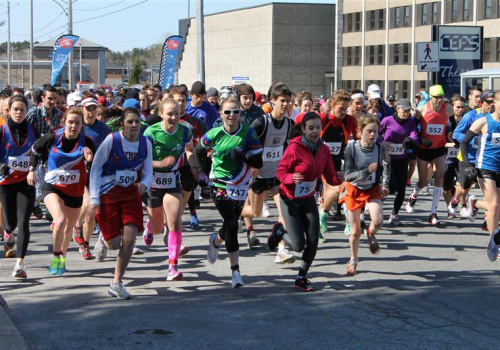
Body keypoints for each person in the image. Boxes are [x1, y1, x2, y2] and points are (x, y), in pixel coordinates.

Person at [268, 112, 340, 291]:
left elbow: (329, 176)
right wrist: (291, 178)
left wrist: (338, 178)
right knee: (298, 245)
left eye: (318, 128)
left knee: (314, 239)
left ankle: (301, 277)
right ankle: (279, 233)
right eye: (311, 128)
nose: (315, 131)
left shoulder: (324, 150)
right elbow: (280, 173)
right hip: (290, 200)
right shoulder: (294, 148)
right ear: (303, 129)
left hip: (308, 199)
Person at [196, 97, 263, 288]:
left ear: (240, 114)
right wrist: (201, 173)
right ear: (220, 114)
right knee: (233, 223)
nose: (231, 115)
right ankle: (236, 273)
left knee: (229, 223)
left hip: (241, 184)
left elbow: (259, 163)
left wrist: (244, 156)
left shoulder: (249, 134)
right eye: (227, 112)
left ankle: (216, 240)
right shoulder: (214, 134)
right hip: (219, 183)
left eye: (235, 112)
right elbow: (199, 150)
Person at [89, 108, 153, 299]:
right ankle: (103, 238)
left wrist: (144, 184)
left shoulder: (145, 143)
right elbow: (96, 167)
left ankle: (116, 282)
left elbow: (149, 171)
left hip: (131, 194)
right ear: (123, 124)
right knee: (114, 245)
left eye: (137, 122)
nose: (134, 126)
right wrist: (93, 198)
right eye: (130, 122)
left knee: (130, 239)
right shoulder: (112, 140)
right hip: (108, 193)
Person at [28, 107, 95, 275]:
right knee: (60, 221)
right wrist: (32, 170)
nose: (73, 126)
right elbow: (35, 149)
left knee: (68, 228)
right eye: (70, 122)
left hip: (75, 190)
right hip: (53, 187)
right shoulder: (53, 137)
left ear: (81, 125)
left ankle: (62, 255)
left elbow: (96, 168)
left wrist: (89, 161)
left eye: (77, 123)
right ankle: (56, 256)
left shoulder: (87, 142)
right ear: (64, 122)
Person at [142, 98, 196, 281]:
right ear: (161, 114)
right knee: (158, 228)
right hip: (153, 183)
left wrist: (194, 166)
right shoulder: (151, 132)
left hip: (173, 182)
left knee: (174, 221)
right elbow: (141, 161)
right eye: (169, 114)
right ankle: (150, 227)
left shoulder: (185, 130)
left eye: (177, 113)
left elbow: (189, 149)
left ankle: (172, 266)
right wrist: (160, 163)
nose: (173, 117)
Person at [240, 84, 295, 264]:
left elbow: (292, 147)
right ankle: (234, 210)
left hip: (277, 176)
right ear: (273, 101)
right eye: (282, 101)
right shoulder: (262, 122)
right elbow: (243, 145)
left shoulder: (289, 124)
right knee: (255, 212)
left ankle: (281, 250)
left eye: (288, 101)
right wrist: (251, 166)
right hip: (258, 176)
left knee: (284, 211)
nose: (286, 104)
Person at [341, 114, 390, 275]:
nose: (372, 135)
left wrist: (385, 183)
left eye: (375, 132)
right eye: (369, 131)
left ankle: (370, 233)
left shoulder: (380, 148)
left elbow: (387, 163)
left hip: (371, 189)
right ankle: (353, 259)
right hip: (354, 190)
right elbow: (348, 175)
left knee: (378, 221)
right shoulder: (352, 148)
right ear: (360, 131)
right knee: (354, 231)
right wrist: (366, 171)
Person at [0, 95, 39, 278]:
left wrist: (34, 168)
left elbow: (41, 151)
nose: (18, 113)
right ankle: (8, 232)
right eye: (15, 109)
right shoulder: (2, 130)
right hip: (6, 182)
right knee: (11, 223)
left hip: (26, 182)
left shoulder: (33, 130)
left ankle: (19, 264)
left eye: (22, 109)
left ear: (26, 111)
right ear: (9, 110)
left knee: (24, 222)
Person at [460, 91, 500, 261]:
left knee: (496, 206)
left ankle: (473, 202)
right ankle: (495, 243)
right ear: (496, 104)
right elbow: (463, 141)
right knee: (495, 206)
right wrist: (468, 166)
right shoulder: (483, 122)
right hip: (485, 167)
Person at [405, 85, 453, 225]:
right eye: (436, 97)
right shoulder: (422, 110)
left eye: (441, 97)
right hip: (424, 149)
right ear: (430, 98)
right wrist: (419, 138)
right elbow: (413, 127)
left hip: (439, 148)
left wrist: (452, 136)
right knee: (423, 181)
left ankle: (433, 213)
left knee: (440, 178)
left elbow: (456, 120)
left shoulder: (448, 109)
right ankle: (413, 195)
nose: (439, 100)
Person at [73, 96, 110, 260]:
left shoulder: (104, 129)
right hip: (79, 172)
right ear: (82, 109)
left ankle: (85, 245)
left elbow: (111, 149)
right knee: (87, 205)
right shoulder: (76, 126)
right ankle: (76, 225)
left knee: (91, 214)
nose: (91, 112)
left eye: (94, 109)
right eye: (88, 109)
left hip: (98, 174)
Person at [317, 90, 358, 239]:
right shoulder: (322, 119)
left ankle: (320, 224)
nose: (343, 112)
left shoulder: (349, 121)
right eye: (340, 108)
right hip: (321, 163)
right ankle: (323, 217)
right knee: (334, 191)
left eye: (346, 109)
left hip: (338, 161)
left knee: (333, 193)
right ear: (332, 105)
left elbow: (358, 139)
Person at [451, 90, 493, 223]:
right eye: (488, 102)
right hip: (467, 157)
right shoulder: (471, 116)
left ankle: (487, 220)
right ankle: (455, 200)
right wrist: (474, 140)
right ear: (482, 103)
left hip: (485, 160)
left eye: (494, 102)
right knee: (464, 187)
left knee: (488, 192)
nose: (491, 104)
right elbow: (456, 134)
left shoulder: (495, 118)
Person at [26, 85, 64, 220]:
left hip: (51, 155)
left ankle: (50, 209)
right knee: (38, 183)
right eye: (49, 99)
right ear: (42, 98)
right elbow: (25, 131)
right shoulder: (34, 113)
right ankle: (34, 203)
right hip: (35, 154)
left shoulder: (59, 115)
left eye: (55, 99)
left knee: (51, 182)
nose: (53, 102)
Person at [379, 98, 418, 225]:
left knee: (401, 189)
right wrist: (382, 143)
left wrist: (410, 140)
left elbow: (415, 137)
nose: (406, 113)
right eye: (404, 110)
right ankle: (377, 203)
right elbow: (375, 135)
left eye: (408, 111)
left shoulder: (411, 122)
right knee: (392, 186)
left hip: (402, 159)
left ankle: (394, 215)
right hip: (387, 160)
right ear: (397, 109)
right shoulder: (387, 120)